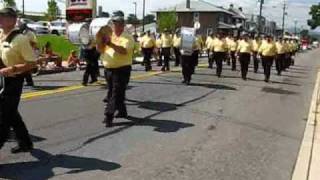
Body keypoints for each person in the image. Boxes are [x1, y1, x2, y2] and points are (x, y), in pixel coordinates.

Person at [0, 6, 36, 153]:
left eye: (3, 17)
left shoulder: (20, 39)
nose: (0, 19)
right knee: (11, 114)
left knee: (3, 119)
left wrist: (13, 69)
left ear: (13, 20)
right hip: (1, 80)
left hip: (13, 82)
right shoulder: (1, 35)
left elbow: (32, 64)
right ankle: (25, 142)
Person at [98, 11, 134, 127]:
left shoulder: (127, 38)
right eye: (113, 23)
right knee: (115, 92)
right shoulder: (109, 35)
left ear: (122, 25)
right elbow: (101, 48)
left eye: (117, 24)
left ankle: (108, 116)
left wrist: (111, 44)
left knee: (115, 93)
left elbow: (123, 51)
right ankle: (122, 111)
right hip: (109, 69)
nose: (115, 26)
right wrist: (100, 43)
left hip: (122, 69)